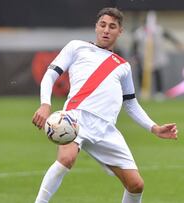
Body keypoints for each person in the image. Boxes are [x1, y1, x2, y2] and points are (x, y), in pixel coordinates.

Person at [32, 7, 178, 203]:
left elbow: (131, 104)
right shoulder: (77, 47)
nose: (106, 30)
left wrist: (155, 128)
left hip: (106, 129)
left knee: (136, 185)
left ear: (120, 31)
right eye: (102, 25)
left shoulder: (123, 66)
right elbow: (50, 75)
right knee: (66, 159)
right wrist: (45, 104)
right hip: (75, 118)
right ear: (96, 27)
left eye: (112, 26)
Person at [132, 11, 183, 100]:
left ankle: (159, 92)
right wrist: (135, 56)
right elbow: (134, 45)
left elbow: (168, 35)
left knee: (157, 74)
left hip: (156, 56)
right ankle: (142, 91)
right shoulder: (139, 32)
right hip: (143, 57)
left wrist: (177, 43)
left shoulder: (158, 29)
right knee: (141, 73)